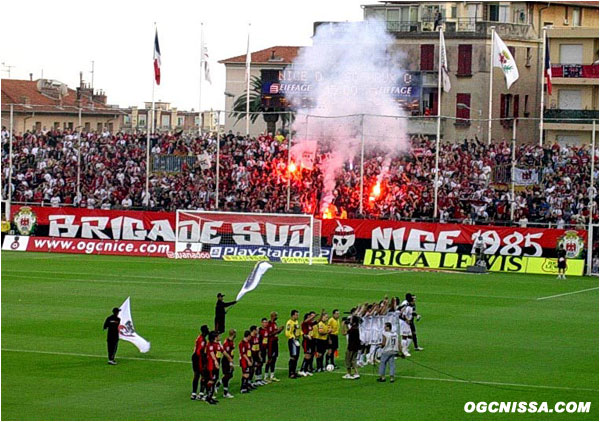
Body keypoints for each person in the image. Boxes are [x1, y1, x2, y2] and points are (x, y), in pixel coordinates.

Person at [191, 325, 209, 401]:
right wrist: (204, 360)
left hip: (195, 357)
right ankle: (200, 393)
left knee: (196, 375)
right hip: (198, 358)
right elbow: (200, 352)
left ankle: (194, 393)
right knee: (203, 375)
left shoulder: (200, 337)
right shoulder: (202, 340)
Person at [265, 311, 284, 382]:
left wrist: (279, 330)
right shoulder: (269, 324)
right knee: (269, 359)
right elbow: (270, 334)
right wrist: (278, 330)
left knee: (274, 358)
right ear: (272, 316)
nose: (277, 317)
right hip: (271, 344)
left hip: (275, 343)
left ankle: (272, 375)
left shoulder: (275, 324)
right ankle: (266, 376)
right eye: (276, 316)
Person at [204, 331, 220, 405]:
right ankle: (208, 397)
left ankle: (210, 396)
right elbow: (212, 354)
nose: (219, 336)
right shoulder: (210, 345)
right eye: (218, 335)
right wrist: (216, 361)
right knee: (211, 381)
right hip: (211, 366)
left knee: (214, 380)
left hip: (214, 366)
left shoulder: (216, 344)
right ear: (215, 337)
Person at [298, 311, 316, 376]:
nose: (310, 318)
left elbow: (317, 322)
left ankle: (306, 370)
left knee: (310, 356)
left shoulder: (310, 324)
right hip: (306, 342)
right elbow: (305, 322)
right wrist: (312, 316)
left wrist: (321, 315)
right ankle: (301, 370)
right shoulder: (304, 324)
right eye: (309, 317)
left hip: (310, 341)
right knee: (307, 356)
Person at [285, 309, 301, 378]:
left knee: (296, 356)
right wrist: (293, 338)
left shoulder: (296, 322)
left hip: (297, 340)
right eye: (296, 315)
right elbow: (287, 333)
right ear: (293, 315)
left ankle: (294, 371)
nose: (297, 316)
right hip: (292, 341)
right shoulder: (289, 323)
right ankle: (291, 373)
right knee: (293, 356)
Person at [221, 329, 236, 399]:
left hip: (229, 360)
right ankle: (225, 392)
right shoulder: (227, 342)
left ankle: (220, 385)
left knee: (229, 375)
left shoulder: (230, 341)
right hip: (226, 361)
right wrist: (230, 361)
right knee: (228, 375)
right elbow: (226, 353)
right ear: (233, 334)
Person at [258, 318, 271, 383]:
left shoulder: (267, 330)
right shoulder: (260, 331)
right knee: (259, 364)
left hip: (266, 348)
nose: (265, 324)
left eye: (266, 322)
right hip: (261, 349)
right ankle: (258, 379)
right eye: (264, 322)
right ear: (261, 323)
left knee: (263, 362)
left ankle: (261, 378)